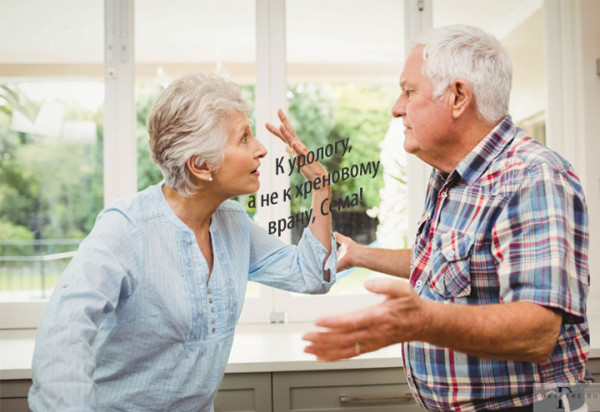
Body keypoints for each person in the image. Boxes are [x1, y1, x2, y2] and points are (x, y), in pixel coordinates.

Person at [302, 25, 591, 411]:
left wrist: (421, 322)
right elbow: (444, 263)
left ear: (457, 97)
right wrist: (359, 254)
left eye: (408, 91)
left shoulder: (533, 176)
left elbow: (538, 332)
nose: (396, 107)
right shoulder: (448, 178)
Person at [28, 72, 337, 411]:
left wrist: (320, 187)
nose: (261, 149)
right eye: (244, 137)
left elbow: (312, 275)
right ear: (201, 165)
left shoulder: (233, 222)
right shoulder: (127, 228)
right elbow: (62, 340)